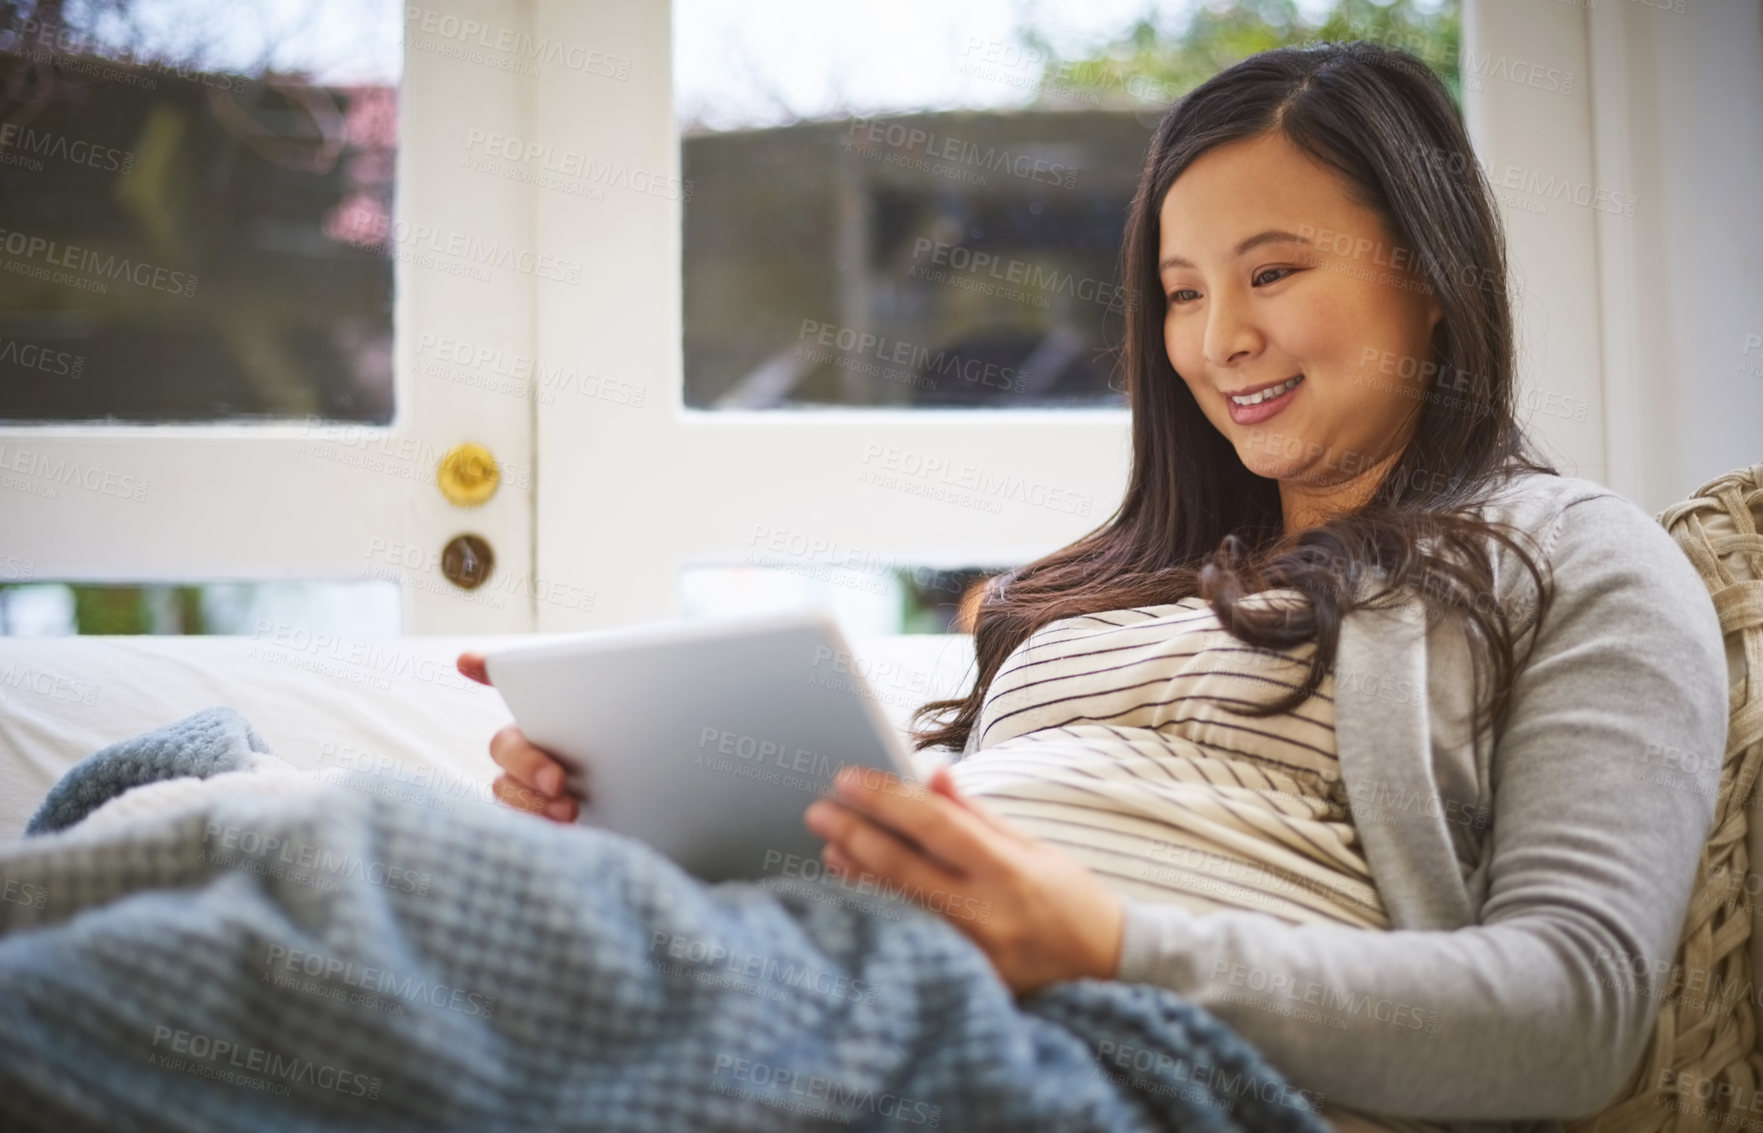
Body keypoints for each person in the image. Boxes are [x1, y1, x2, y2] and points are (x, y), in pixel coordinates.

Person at [456, 41, 1728, 1133]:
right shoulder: (1103, 586)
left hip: (1122, 1063)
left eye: (1273, 272)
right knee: (345, 862)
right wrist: (635, 813)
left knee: (341, 877)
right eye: (1181, 293)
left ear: (1429, 274)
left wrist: (1104, 945)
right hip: (844, 989)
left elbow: (1573, 1013)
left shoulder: (1575, 555)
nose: (1218, 338)